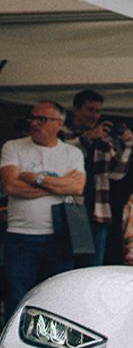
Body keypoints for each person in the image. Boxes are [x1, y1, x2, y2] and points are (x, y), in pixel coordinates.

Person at [0, 101, 85, 324]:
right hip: (20, 235)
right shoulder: (13, 147)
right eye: (33, 118)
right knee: (17, 297)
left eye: (42, 119)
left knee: (54, 299)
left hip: (60, 237)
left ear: (60, 123)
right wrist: (57, 186)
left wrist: (37, 179)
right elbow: (10, 186)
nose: (34, 123)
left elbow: (77, 187)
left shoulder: (72, 153)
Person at [63, 89, 133, 266]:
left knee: (92, 266)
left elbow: (117, 174)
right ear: (76, 109)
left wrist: (127, 146)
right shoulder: (62, 132)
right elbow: (64, 153)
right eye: (89, 109)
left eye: (98, 111)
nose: (94, 115)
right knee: (69, 264)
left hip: (99, 209)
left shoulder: (105, 140)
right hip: (73, 208)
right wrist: (88, 137)